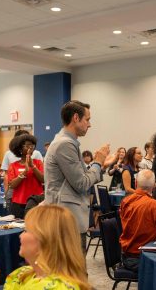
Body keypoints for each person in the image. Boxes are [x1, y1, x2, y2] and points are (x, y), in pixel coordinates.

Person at [0, 205, 90, 290]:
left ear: (45, 239)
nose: (21, 236)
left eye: (27, 230)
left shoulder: (56, 287)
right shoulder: (23, 273)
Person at [45, 100, 110, 250]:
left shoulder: (67, 141)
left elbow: (82, 176)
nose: (89, 124)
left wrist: (100, 165)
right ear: (76, 118)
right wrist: (98, 163)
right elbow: (81, 183)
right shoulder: (65, 144)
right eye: (87, 119)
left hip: (66, 217)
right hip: (66, 220)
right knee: (75, 272)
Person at [1, 130, 44, 210]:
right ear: (20, 149)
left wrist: (33, 167)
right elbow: (12, 185)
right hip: (19, 202)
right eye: (27, 146)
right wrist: (25, 172)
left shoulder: (38, 163)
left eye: (32, 146)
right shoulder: (13, 165)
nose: (30, 148)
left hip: (36, 201)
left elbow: (43, 180)